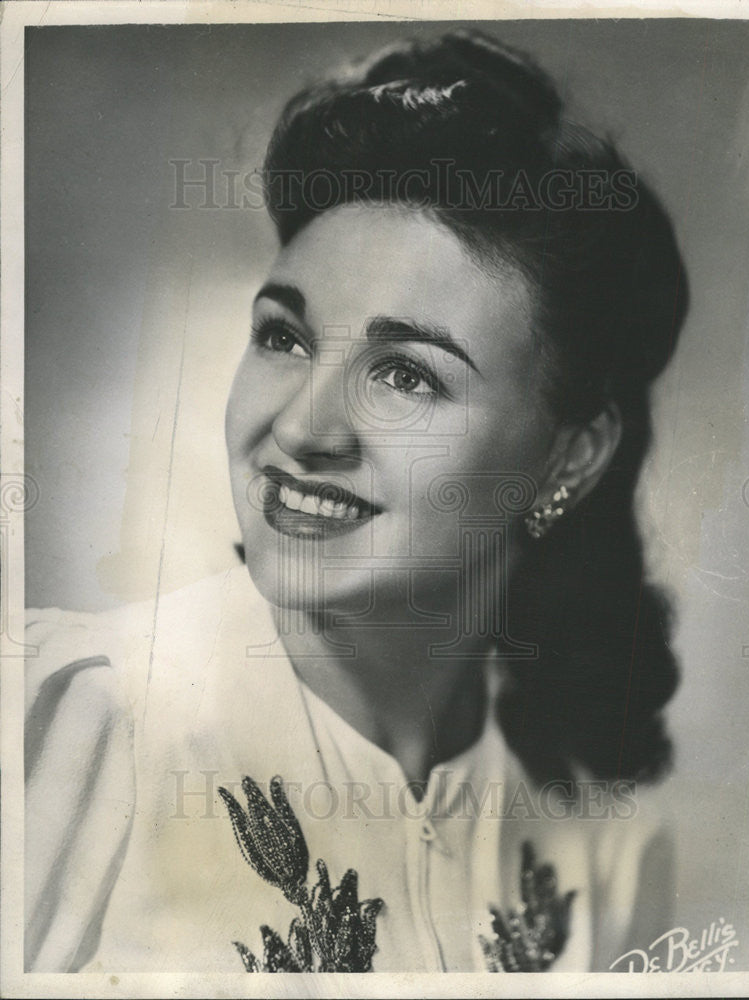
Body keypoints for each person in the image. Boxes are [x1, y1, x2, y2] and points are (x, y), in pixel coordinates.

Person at [25, 28, 687, 973]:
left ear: (570, 458)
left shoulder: (603, 853)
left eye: (407, 375)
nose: (301, 429)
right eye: (285, 338)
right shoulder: (75, 720)